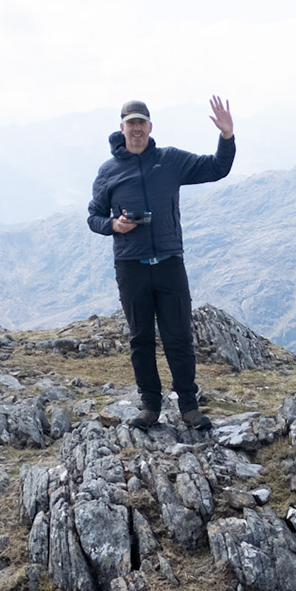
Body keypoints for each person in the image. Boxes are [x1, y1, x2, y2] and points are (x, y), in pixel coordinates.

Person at [87, 95, 236, 429]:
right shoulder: (109, 172)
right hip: (130, 265)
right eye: (131, 123)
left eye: (141, 122)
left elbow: (217, 168)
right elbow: (93, 217)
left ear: (150, 126)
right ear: (122, 128)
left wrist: (226, 136)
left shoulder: (170, 160)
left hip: (169, 262)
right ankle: (150, 407)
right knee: (140, 339)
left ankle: (189, 407)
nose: (137, 129)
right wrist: (114, 225)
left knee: (178, 337)